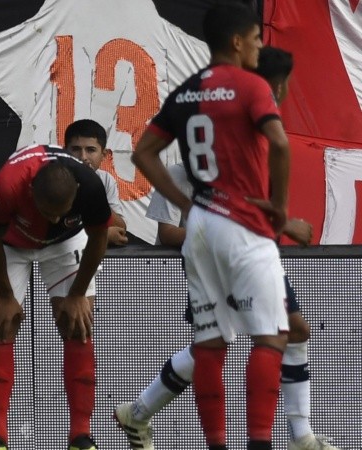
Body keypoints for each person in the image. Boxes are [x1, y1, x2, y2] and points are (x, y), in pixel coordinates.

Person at [114, 46, 341, 450]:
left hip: (235, 244)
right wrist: (281, 219)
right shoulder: (195, 165)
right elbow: (172, 229)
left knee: (230, 340)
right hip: (230, 249)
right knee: (255, 338)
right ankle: (283, 438)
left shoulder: (232, 133)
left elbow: (234, 196)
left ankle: (140, 413)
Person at [130, 4, 292, 450]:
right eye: (257, 39)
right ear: (237, 41)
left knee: (210, 342)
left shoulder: (185, 91)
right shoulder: (251, 85)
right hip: (242, 222)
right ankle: (260, 442)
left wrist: (186, 201)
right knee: (272, 335)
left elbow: (142, 153)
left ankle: (216, 444)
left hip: (199, 224)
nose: (261, 47)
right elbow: (279, 143)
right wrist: (278, 207)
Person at [0, 144, 111, 450]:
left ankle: (80, 434)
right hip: (10, 243)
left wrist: (77, 293)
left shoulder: (89, 186)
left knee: (78, 323)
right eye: (45, 210)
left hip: (65, 242)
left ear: (75, 192)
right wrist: (6, 295)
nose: (52, 217)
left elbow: (99, 238)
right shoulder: (7, 185)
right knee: (1, 324)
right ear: (30, 190)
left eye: (59, 211)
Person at [64, 119, 129, 247]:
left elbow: (120, 229)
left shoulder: (105, 179)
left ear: (103, 154)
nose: (83, 157)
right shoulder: (55, 178)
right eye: (76, 149)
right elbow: (51, 232)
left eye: (91, 150)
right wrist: (103, 235)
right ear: (65, 152)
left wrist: (93, 192)